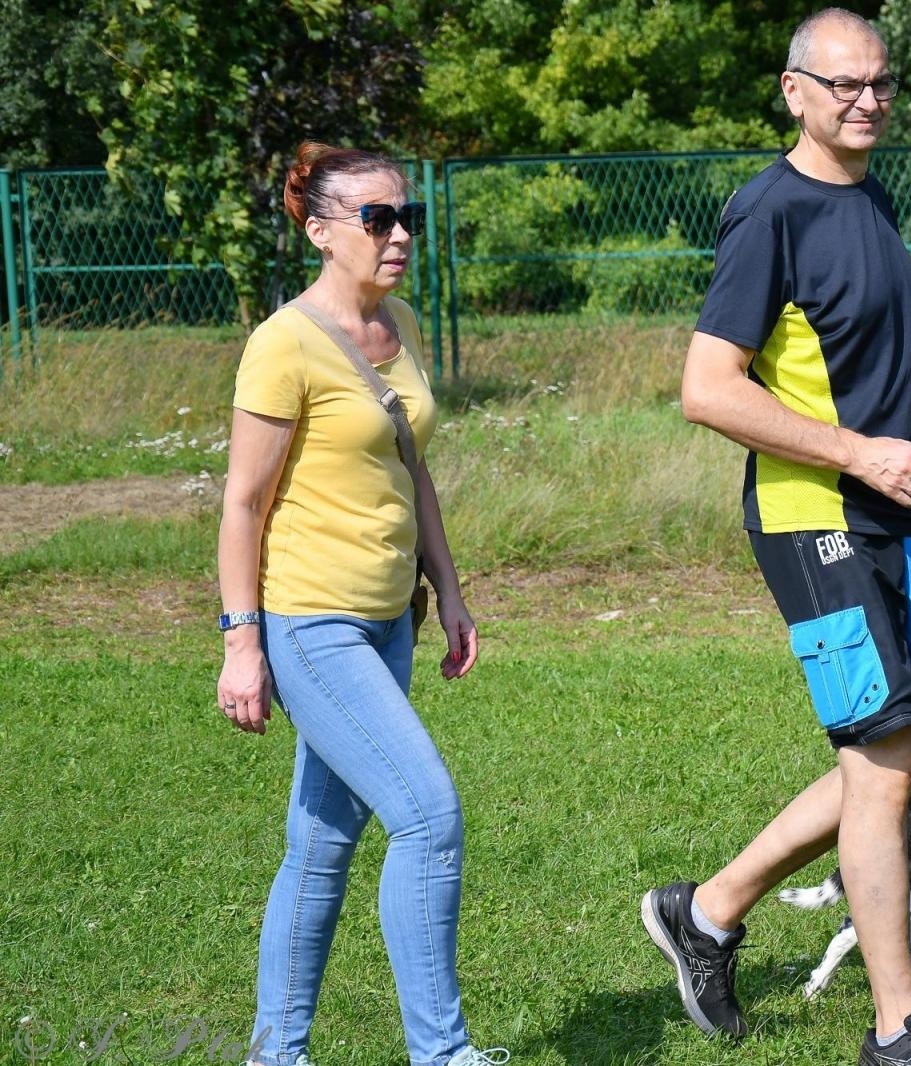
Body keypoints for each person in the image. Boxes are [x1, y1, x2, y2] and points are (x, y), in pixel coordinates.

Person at [639, 11, 911, 1066]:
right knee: (885, 761)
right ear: (794, 90)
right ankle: (900, 1028)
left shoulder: (871, 197)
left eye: (880, 83)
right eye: (844, 84)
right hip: (816, 520)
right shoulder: (769, 213)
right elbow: (708, 389)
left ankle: (708, 910)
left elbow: (898, 375)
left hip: (898, 512)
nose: (867, 101)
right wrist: (858, 456)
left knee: (906, 755)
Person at [216, 141, 505, 1066]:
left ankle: (276, 1055)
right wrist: (242, 643)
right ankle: (443, 1055)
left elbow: (410, 469)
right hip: (312, 624)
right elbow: (242, 504)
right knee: (427, 815)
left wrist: (448, 590)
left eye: (407, 217)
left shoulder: (400, 323)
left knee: (321, 844)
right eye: (378, 219)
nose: (401, 234)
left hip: (390, 621)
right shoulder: (284, 344)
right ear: (320, 231)